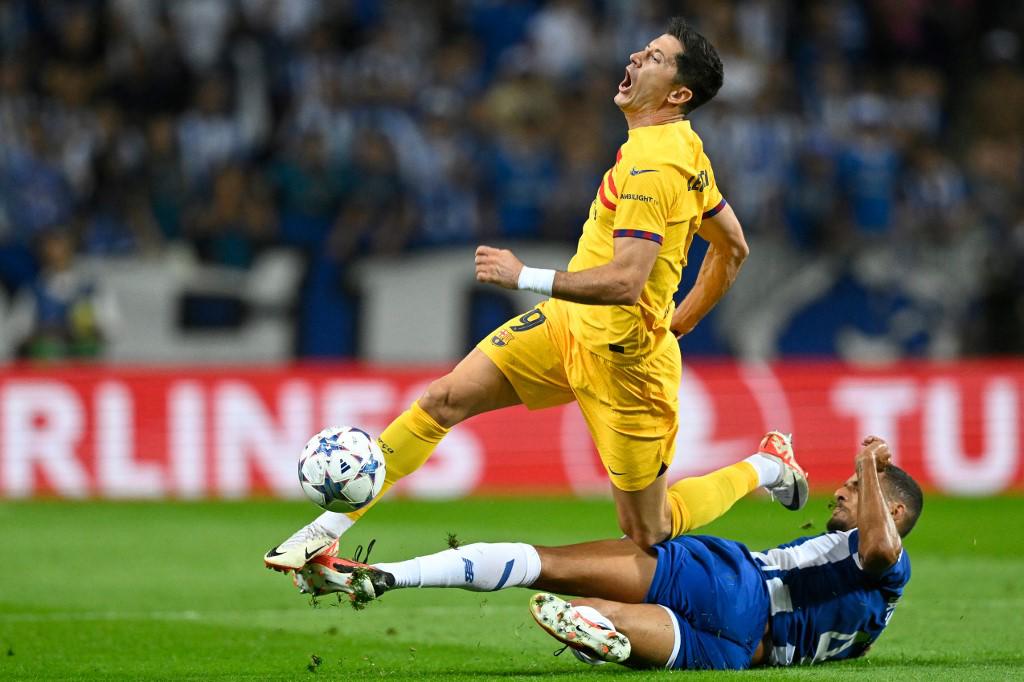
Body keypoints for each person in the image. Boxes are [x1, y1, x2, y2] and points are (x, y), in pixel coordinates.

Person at [266, 17, 754, 571]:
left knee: (648, 528)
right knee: (443, 399)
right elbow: (732, 245)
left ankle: (763, 467)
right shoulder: (681, 148)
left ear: (678, 93)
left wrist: (524, 275)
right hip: (567, 325)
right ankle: (321, 533)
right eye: (644, 50)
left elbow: (625, 283)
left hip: (625, 365)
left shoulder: (655, 164)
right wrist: (681, 322)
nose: (638, 58)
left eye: (656, 58)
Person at [295, 435, 922, 671]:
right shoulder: (872, 622)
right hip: (739, 653)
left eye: (858, 490)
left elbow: (874, 549)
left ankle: (386, 577)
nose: (843, 491)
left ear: (893, 513)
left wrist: (869, 465)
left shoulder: (885, 560)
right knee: (588, 612)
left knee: (543, 562)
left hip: (729, 582)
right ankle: (607, 633)